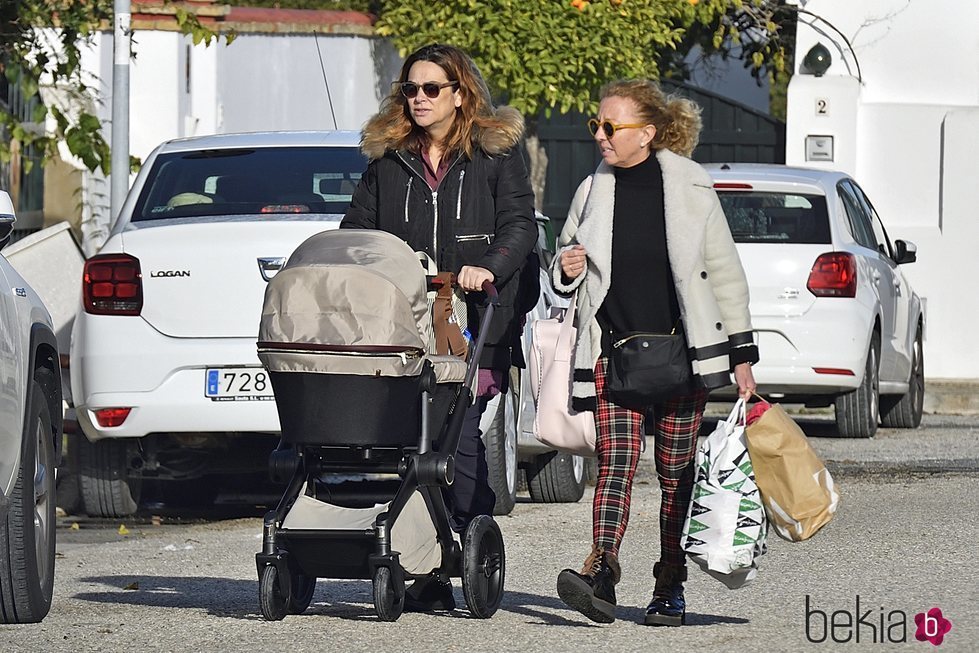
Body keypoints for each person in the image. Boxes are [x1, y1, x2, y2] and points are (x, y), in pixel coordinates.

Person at [551, 79, 758, 626]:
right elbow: (564, 260)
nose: (599, 135)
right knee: (613, 468)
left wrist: (741, 355)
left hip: (680, 358)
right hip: (613, 355)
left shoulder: (690, 186)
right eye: (595, 125)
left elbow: (725, 272)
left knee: (676, 476)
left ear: (646, 133)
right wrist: (566, 269)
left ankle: (669, 585)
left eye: (610, 127)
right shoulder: (592, 188)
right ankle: (600, 573)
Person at [341, 43, 538, 612]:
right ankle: (422, 563)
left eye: (432, 89)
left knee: (459, 439)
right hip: (403, 322)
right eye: (411, 89)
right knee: (411, 441)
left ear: (459, 94)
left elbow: (519, 225)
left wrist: (490, 267)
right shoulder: (388, 157)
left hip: (476, 319)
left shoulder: (495, 153)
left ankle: (468, 542)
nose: (419, 99)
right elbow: (358, 227)